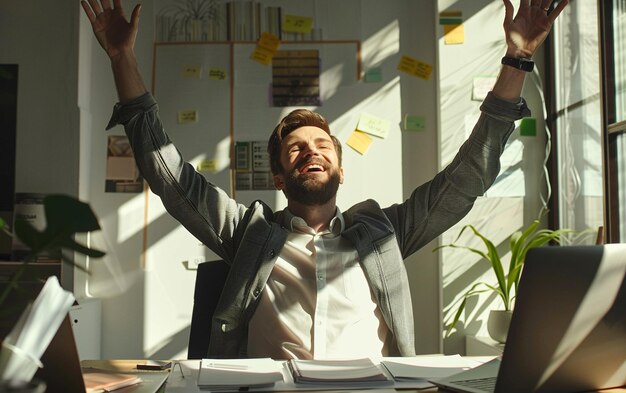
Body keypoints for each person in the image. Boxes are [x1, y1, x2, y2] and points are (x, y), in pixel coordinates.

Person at [81, 0, 568, 359]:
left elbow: (467, 179)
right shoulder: (249, 234)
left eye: (321, 146)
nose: (310, 152)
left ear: (339, 166)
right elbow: (171, 178)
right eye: (296, 149)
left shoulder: (383, 234)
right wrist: (122, 58)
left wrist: (518, 59)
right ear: (279, 174)